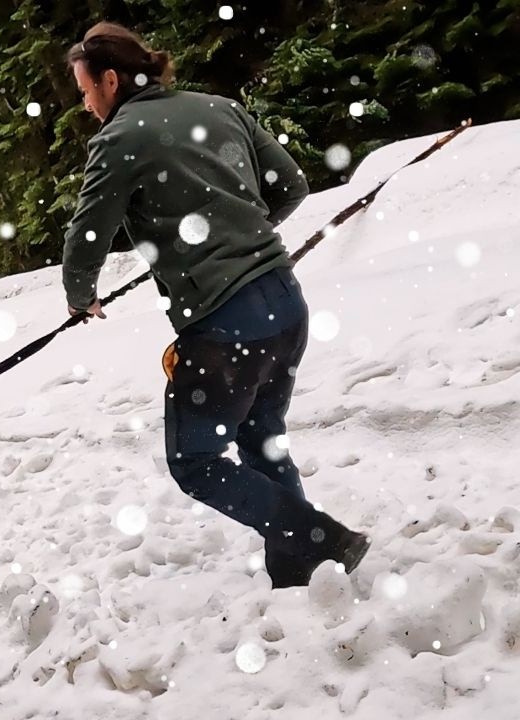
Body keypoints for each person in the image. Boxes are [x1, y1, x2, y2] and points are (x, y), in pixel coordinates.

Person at [60, 21, 369, 587]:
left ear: (110, 79)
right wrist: (244, 236)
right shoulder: (219, 107)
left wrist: (81, 298)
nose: (84, 104)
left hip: (225, 328)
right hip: (284, 303)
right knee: (261, 439)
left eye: (85, 90)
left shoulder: (121, 137)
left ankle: (322, 539)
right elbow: (293, 186)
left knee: (196, 462)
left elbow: (87, 238)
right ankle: (302, 571)